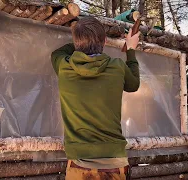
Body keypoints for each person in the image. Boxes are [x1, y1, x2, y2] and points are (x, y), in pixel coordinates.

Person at [51, 17, 140, 180]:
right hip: (114, 161)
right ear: (105, 41)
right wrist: (131, 49)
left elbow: (57, 53)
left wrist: (80, 41)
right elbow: (133, 85)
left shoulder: (64, 66)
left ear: (76, 42)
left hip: (79, 162)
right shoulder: (118, 66)